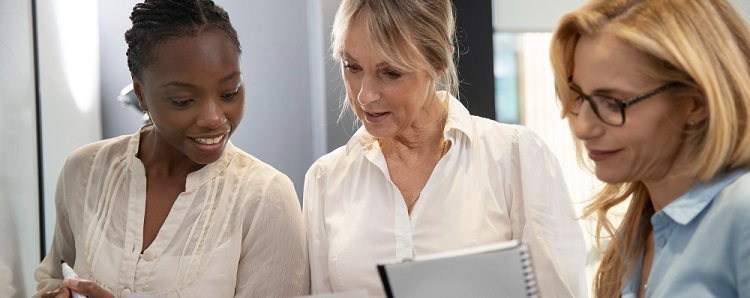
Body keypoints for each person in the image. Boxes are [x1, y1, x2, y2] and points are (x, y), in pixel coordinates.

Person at [303, 0, 588, 297]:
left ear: (437, 62)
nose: (365, 95)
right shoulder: (325, 180)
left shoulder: (516, 157)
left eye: (391, 73)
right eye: (352, 67)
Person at [34, 0, 309, 297]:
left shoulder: (266, 197)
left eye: (229, 92)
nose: (214, 118)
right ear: (140, 92)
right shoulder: (84, 171)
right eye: (183, 100)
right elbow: (52, 276)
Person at [550, 0, 750, 297]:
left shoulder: (742, 212)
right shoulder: (632, 240)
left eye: (612, 103)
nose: (582, 128)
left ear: (696, 103)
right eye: (579, 97)